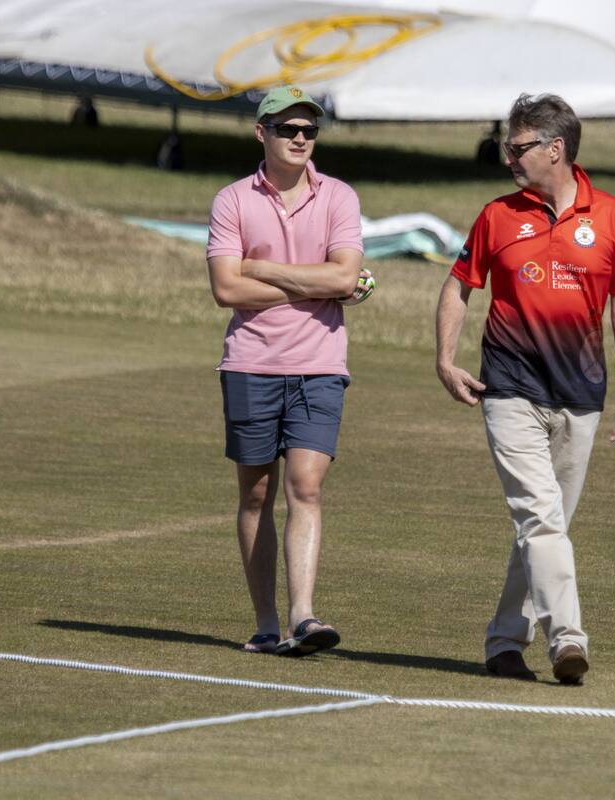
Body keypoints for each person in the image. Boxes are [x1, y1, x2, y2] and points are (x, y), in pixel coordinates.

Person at [435, 93, 615, 685]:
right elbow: (459, 287)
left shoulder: (612, 217)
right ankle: (568, 642)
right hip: (508, 388)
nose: (508, 155)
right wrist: (445, 359)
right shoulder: (496, 216)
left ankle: (505, 643)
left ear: (555, 150)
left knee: (543, 527)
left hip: (581, 394)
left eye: (519, 146)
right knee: (540, 519)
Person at [206, 85, 365, 657]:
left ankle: (304, 617)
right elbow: (226, 289)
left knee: (306, 486)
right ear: (262, 134)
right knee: (256, 495)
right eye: (287, 129)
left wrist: (264, 271)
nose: (300, 139)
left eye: (309, 130)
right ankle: (267, 623)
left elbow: (345, 280)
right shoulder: (232, 201)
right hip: (250, 363)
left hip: (320, 364)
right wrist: (310, 283)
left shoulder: (339, 197)